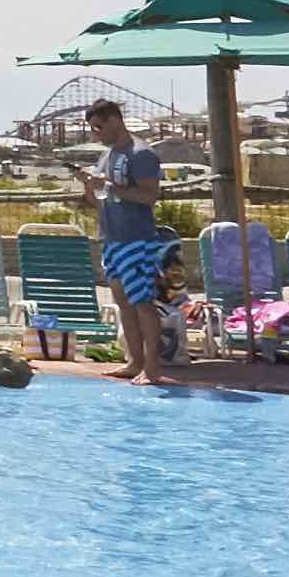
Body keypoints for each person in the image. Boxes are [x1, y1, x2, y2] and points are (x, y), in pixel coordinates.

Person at [78, 98, 179, 374]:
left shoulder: (140, 154)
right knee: (123, 301)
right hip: (111, 238)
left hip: (136, 238)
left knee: (142, 302)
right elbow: (98, 201)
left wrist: (109, 186)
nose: (95, 134)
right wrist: (89, 185)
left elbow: (149, 196)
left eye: (98, 127)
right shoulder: (107, 156)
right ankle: (135, 362)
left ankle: (152, 367)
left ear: (114, 121)